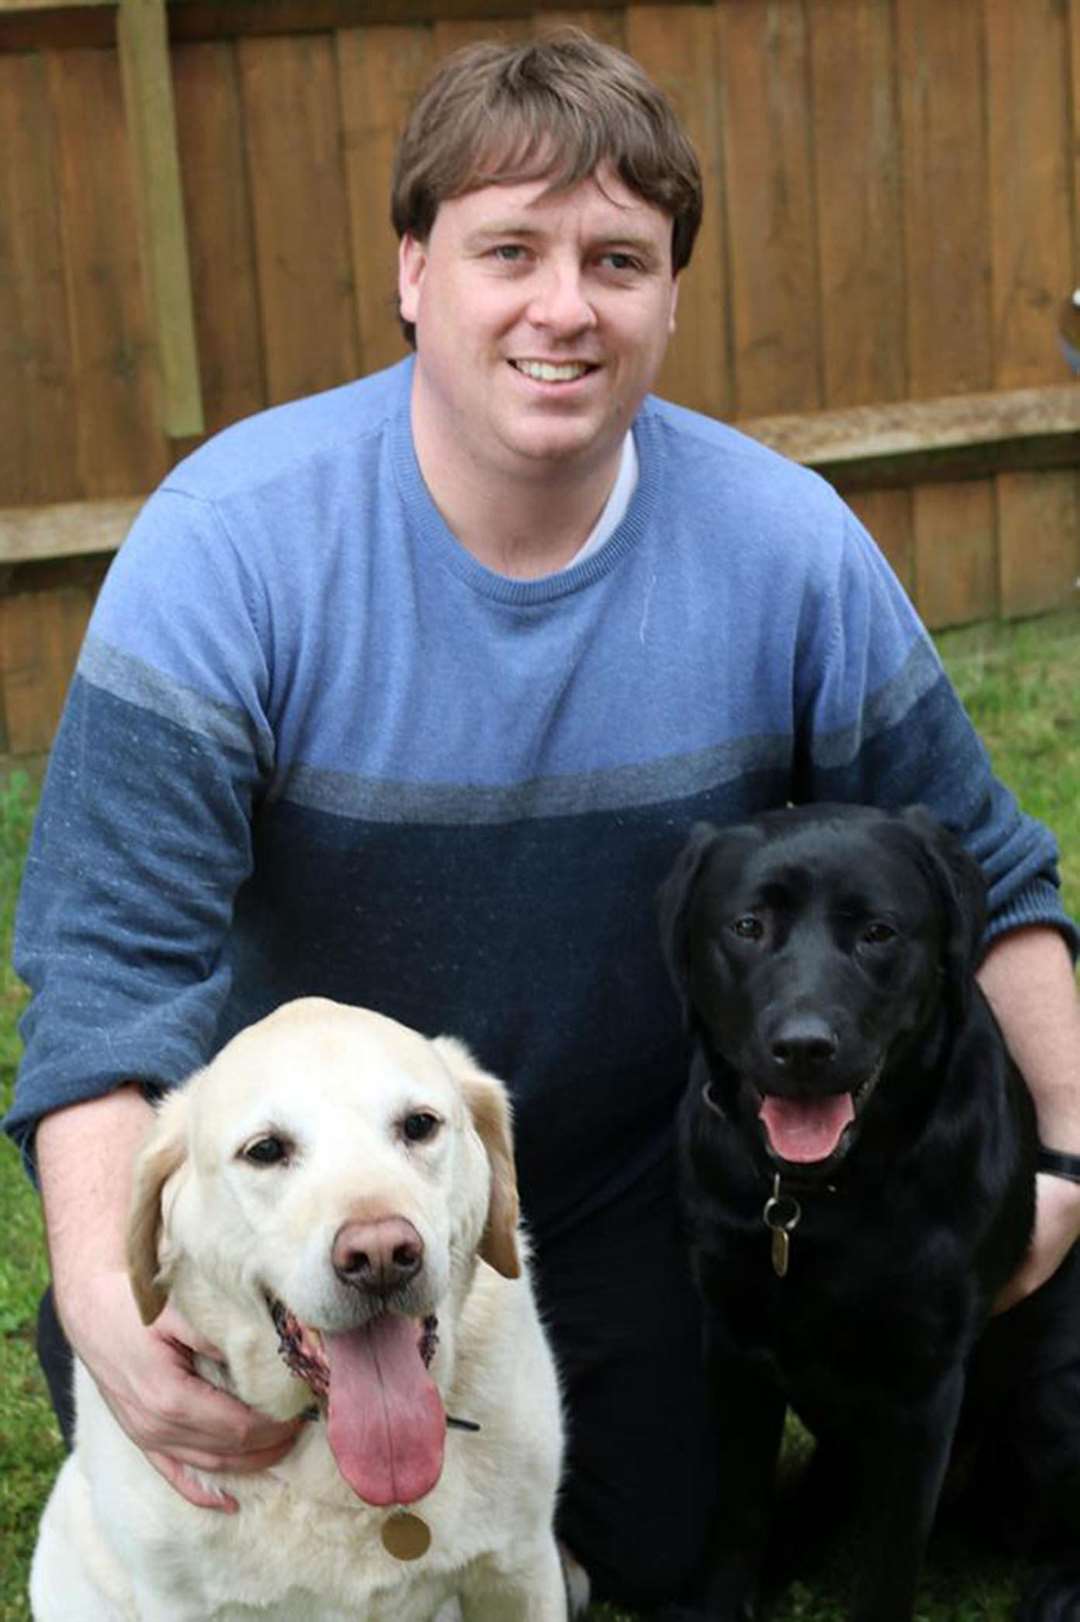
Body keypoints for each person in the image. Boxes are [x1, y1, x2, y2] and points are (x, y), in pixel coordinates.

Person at [6, 29, 1080, 1617]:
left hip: (636, 1182)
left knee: (656, 1551)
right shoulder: (225, 551)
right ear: (413, 271)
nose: (563, 306)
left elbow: (990, 870)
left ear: (666, 294)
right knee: (208, 1434)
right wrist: (109, 1304)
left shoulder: (788, 545)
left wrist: (1065, 1152)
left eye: (618, 260)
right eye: (509, 247)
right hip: (307, 1179)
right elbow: (106, 975)